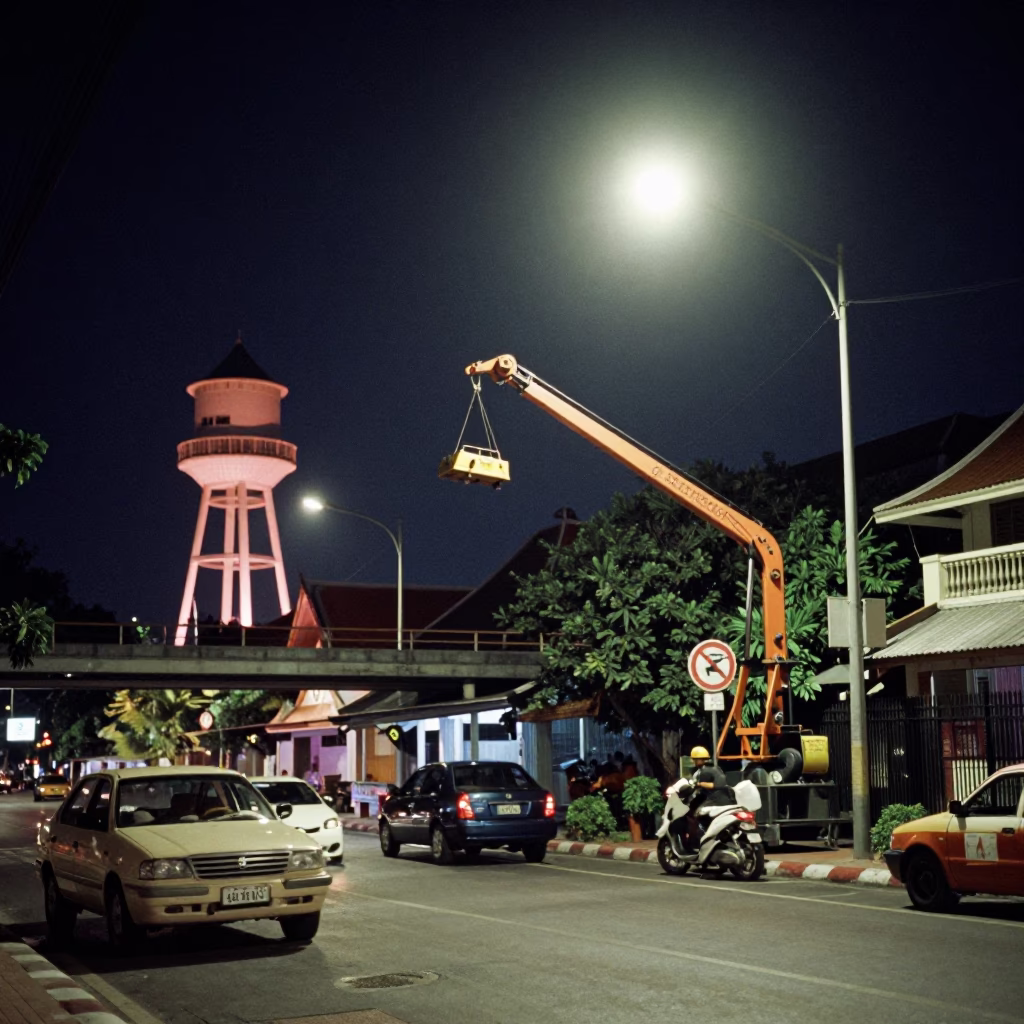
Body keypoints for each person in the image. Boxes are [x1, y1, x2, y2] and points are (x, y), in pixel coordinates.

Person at [684, 745, 732, 850]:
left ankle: (700, 839)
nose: (694, 761)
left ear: (699, 760)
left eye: (695, 759)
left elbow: (709, 786)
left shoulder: (704, 772)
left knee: (696, 814)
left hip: (715, 800)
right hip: (727, 800)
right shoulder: (716, 768)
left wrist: (698, 784)